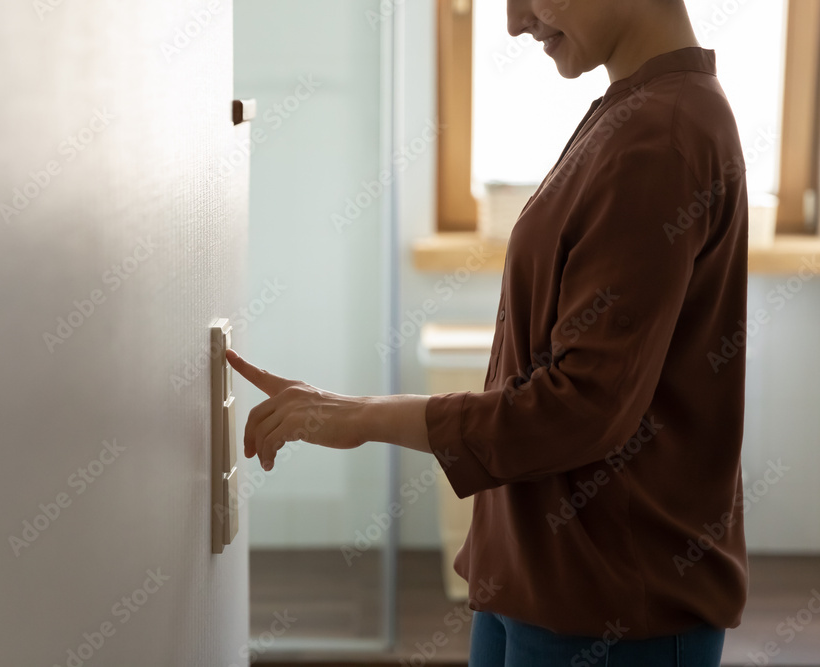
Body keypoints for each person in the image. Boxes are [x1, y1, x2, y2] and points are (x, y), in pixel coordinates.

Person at [226, 0, 749, 664]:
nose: (512, 21)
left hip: (612, 604)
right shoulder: (634, 112)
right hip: (542, 580)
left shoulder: (662, 133)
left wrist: (363, 417)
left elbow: (580, 408)